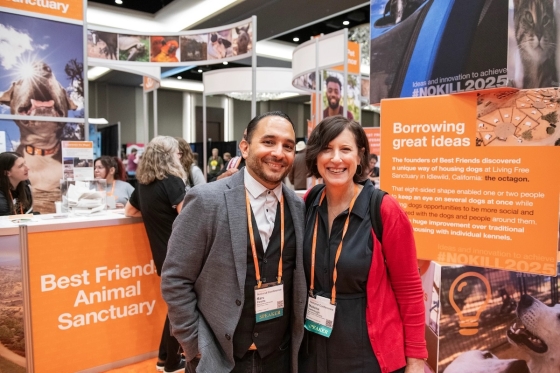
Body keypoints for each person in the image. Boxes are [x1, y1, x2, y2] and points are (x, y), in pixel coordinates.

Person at [161, 111, 306, 373]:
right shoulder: (206, 200)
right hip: (220, 359)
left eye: (288, 146)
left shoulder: (297, 206)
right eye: (268, 142)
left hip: (280, 358)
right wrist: (195, 346)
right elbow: (175, 279)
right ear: (245, 147)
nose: (278, 152)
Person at [299, 116, 426, 373]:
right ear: (315, 157)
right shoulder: (309, 202)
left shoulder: (384, 209)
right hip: (313, 350)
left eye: (345, 149)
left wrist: (415, 360)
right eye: (326, 149)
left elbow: (410, 289)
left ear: (360, 157)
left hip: (368, 354)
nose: (336, 159)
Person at [124, 136, 187, 373]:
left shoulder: (143, 184)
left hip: (162, 255)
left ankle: (164, 358)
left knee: (176, 306)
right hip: (181, 253)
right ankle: (171, 361)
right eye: (177, 153)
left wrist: (156, 216)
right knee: (181, 307)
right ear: (168, 156)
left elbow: (129, 211)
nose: (180, 156)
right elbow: (188, 218)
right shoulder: (172, 181)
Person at [0, 152, 32, 216]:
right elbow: (5, 220)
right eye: (21, 166)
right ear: (7, 173)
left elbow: (28, 212)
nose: (27, 168)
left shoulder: (25, 184)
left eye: (24, 163)